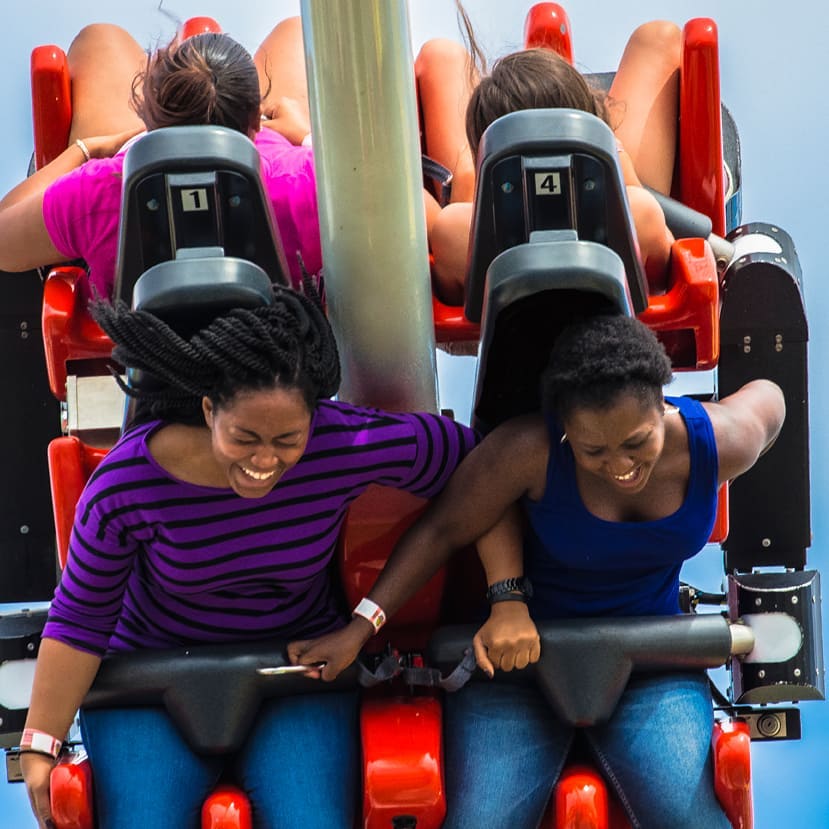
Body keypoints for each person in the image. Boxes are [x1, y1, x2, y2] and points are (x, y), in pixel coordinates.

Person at [19, 282, 478, 829]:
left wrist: (368, 622)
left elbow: (482, 471)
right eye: (245, 437)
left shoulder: (343, 444)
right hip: (151, 677)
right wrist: (40, 743)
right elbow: (81, 619)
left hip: (291, 666)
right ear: (210, 409)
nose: (266, 460)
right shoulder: (126, 484)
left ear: (316, 419)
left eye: (289, 438)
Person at [297, 314, 784, 828]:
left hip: (650, 662)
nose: (618, 464)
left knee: (689, 820)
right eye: (593, 449)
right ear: (565, 428)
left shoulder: (721, 442)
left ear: (664, 403)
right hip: (520, 668)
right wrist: (361, 626)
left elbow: (770, 398)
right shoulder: (527, 450)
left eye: (637, 442)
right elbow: (441, 532)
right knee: (481, 822)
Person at [0, 18, 320, 298]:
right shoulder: (307, 182)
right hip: (272, 327)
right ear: (256, 123)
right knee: (296, 30)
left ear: (149, 116)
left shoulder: (99, 189)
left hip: (148, 337)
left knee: (101, 38)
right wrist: (309, 138)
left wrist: (86, 150)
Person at [428, 15, 683, 305]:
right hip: (608, 222)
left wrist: (469, 184)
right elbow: (668, 271)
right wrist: (614, 161)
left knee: (439, 55)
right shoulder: (639, 215)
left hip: (491, 239)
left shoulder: (455, 233)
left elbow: (450, 298)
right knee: (659, 36)